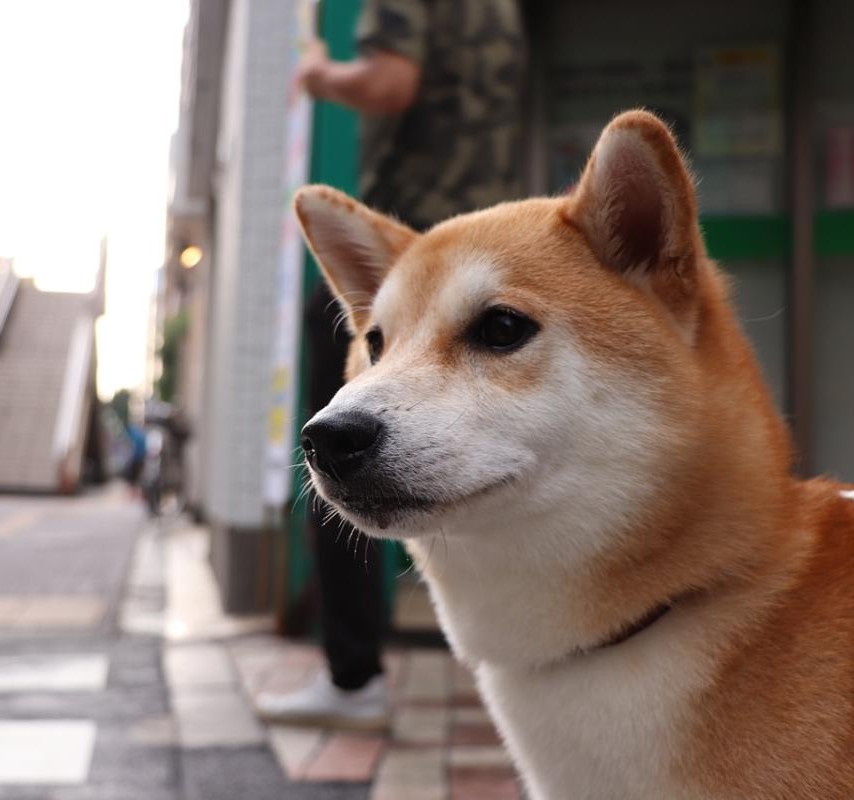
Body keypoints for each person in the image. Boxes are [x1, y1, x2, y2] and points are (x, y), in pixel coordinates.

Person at [256, 0, 527, 729]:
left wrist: (318, 74)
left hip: (411, 257)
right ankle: (519, 665)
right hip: (493, 236)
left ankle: (353, 676)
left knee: (344, 448)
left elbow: (388, 82)